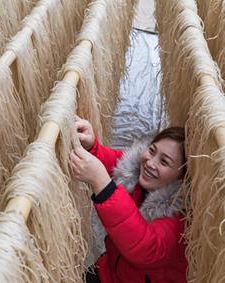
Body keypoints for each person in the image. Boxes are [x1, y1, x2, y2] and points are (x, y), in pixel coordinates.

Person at [70, 117, 188, 283]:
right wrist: (91, 146)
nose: (150, 163)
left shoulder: (180, 218)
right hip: (109, 272)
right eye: (152, 150)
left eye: (164, 161)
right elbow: (114, 162)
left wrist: (103, 185)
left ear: (182, 177)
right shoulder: (139, 173)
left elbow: (145, 247)